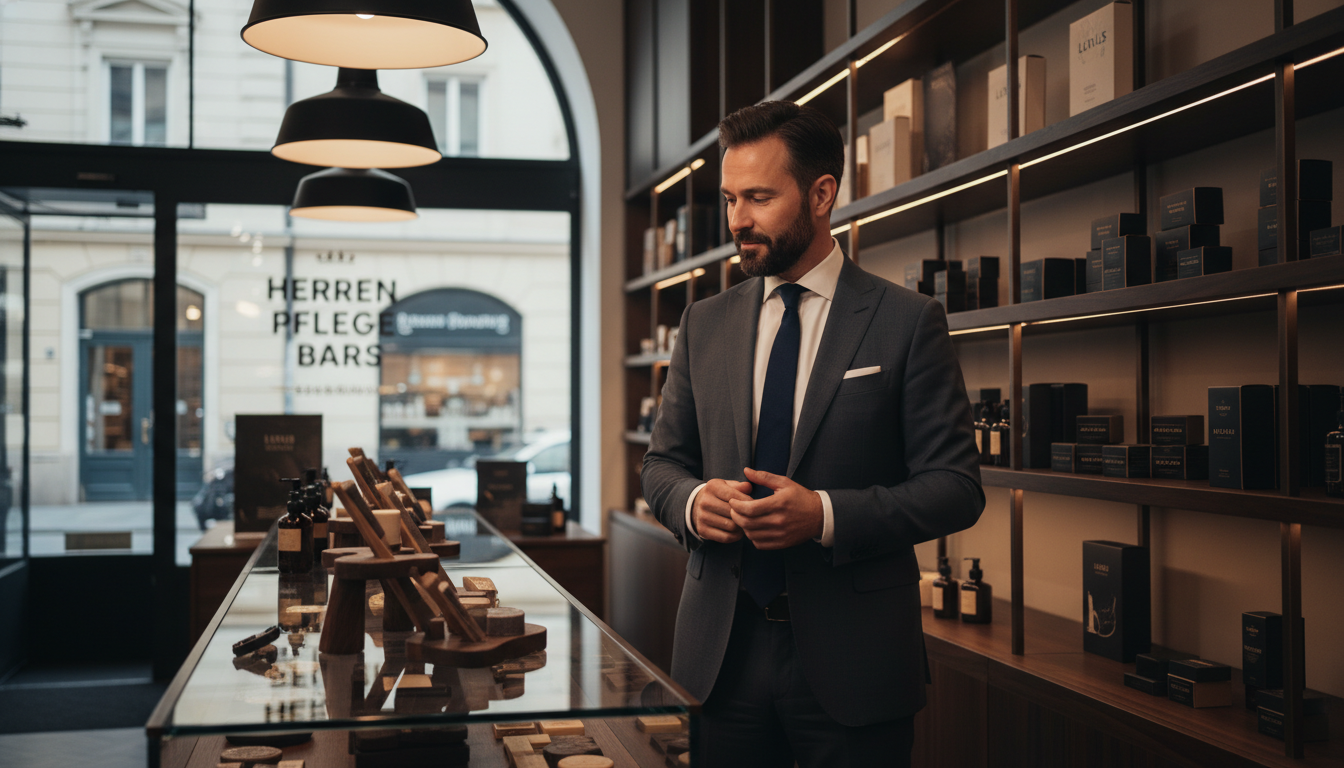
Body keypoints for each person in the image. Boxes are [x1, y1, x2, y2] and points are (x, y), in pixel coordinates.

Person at [641, 100, 985, 767]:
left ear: (822, 193)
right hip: (721, 656)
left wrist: (823, 515)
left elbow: (955, 489)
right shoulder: (703, 324)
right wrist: (689, 502)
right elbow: (661, 465)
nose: (738, 220)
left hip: (857, 664)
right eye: (730, 198)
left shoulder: (907, 322)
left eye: (760, 197)